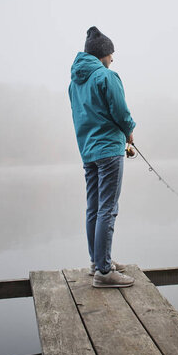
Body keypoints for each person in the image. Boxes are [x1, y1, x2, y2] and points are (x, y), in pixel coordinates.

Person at [68, 26, 136, 288]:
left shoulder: (75, 82)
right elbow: (120, 112)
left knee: (94, 208)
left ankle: (97, 262)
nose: (112, 58)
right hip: (108, 150)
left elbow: (80, 116)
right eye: (110, 54)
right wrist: (129, 131)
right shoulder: (107, 77)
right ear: (102, 55)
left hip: (88, 151)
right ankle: (105, 273)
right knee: (108, 208)